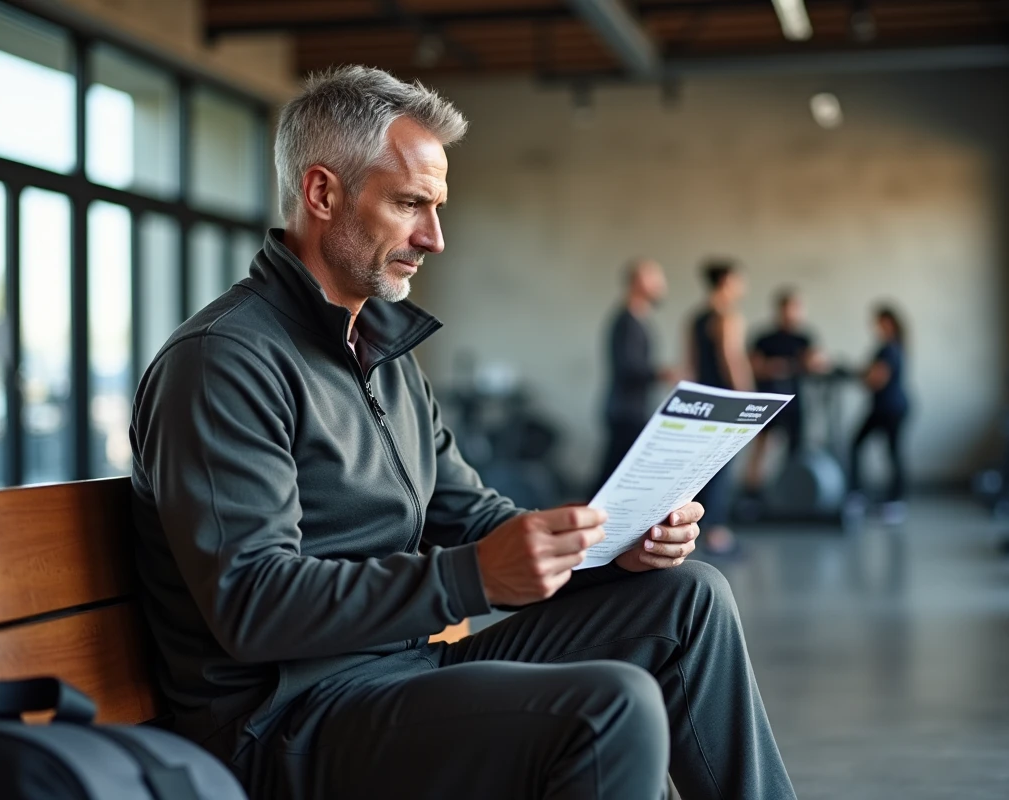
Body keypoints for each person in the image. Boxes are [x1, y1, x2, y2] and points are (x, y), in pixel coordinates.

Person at [129, 67, 796, 800]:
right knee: (610, 709)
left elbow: (473, 516)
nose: (434, 238)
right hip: (286, 726)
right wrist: (469, 577)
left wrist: (610, 552)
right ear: (322, 194)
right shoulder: (223, 361)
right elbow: (252, 602)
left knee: (689, 599)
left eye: (437, 208)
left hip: (401, 676)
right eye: (409, 203)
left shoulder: (382, 355)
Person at [689, 260, 753, 555]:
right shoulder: (727, 316)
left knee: (703, 468)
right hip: (726, 402)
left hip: (703, 400)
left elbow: (690, 364)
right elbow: (732, 359)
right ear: (726, 281)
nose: (743, 287)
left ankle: (698, 528)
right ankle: (716, 533)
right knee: (721, 468)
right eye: (739, 280)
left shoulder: (695, 318)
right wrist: (748, 399)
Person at [596, 258, 674, 490]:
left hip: (632, 409)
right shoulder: (626, 322)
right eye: (655, 278)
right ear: (639, 282)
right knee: (612, 480)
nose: (662, 285)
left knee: (614, 478)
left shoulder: (638, 319)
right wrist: (662, 373)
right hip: (625, 411)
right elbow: (628, 368)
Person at [745, 288, 827, 492]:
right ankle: (752, 492)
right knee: (761, 447)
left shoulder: (804, 338)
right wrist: (773, 367)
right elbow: (753, 366)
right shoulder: (765, 338)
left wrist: (807, 363)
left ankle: (793, 489)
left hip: (795, 402)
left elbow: (817, 364)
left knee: (796, 449)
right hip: (767, 401)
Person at [846, 305, 911, 525]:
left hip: (891, 408)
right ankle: (858, 493)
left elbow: (877, 379)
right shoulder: (889, 348)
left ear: (889, 323)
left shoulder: (890, 349)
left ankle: (895, 502)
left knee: (891, 452)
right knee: (858, 444)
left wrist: (860, 376)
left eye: (880, 323)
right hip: (883, 407)